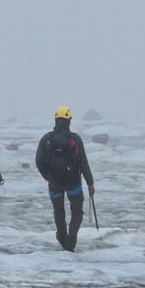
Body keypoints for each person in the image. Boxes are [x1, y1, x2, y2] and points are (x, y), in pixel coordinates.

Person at [35, 105, 95, 252]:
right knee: (77, 212)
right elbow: (83, 162)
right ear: (69, 120)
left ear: (56, 119)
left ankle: (62, 238)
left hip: (54, 183)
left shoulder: (46, 139)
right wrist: (90, 183)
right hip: (73, 183)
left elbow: (38, 161)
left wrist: (48, 176)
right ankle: (71, 241)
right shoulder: (75, 139)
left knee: (58, 211)